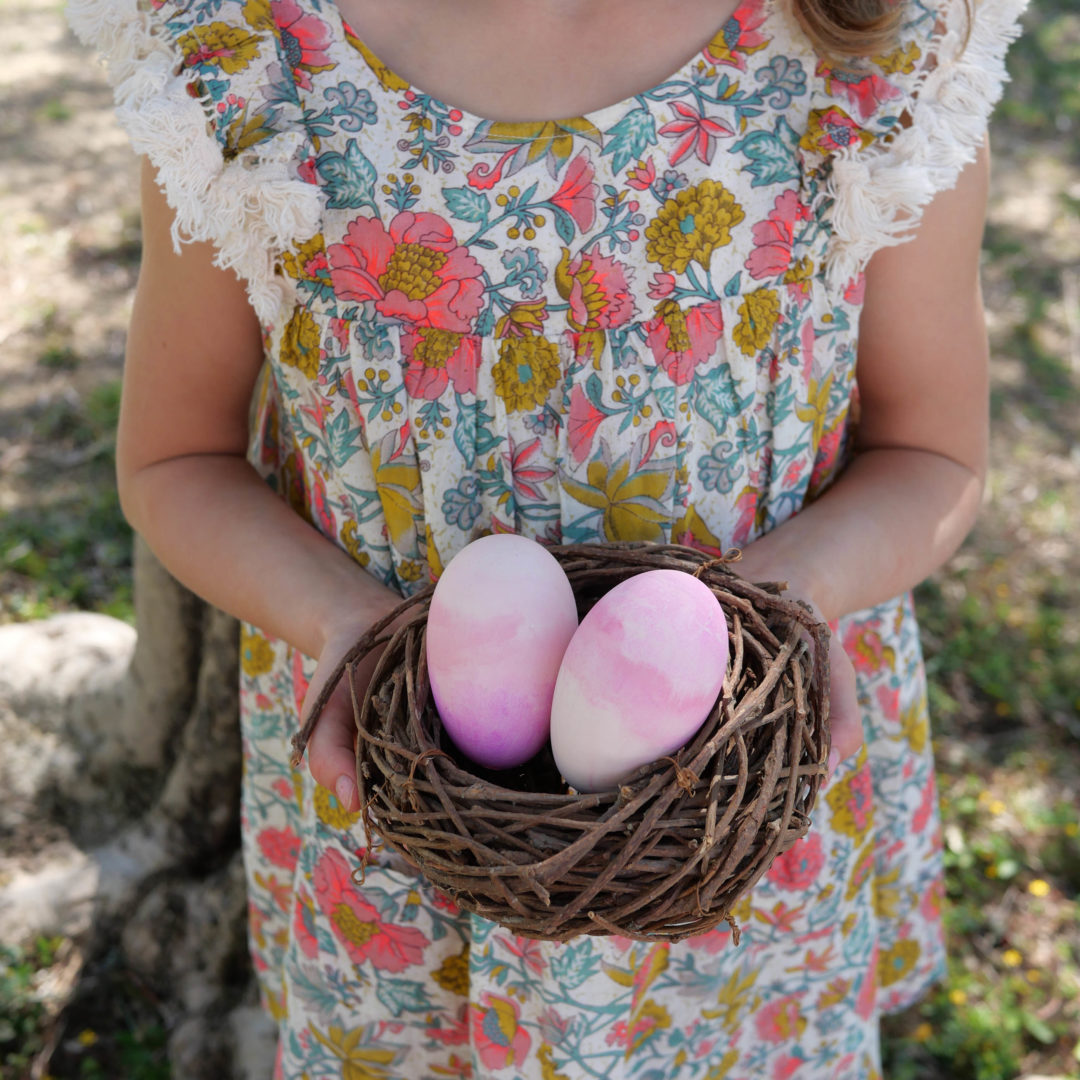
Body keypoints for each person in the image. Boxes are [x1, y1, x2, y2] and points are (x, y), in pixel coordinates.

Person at [67, 0, 1027, 1074]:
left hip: (735, 815)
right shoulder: (248, 54)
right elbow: (173, 460)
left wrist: (781, 602)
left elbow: (934, 454)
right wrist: (340, 618)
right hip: (404, 828)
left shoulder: (879, 45)